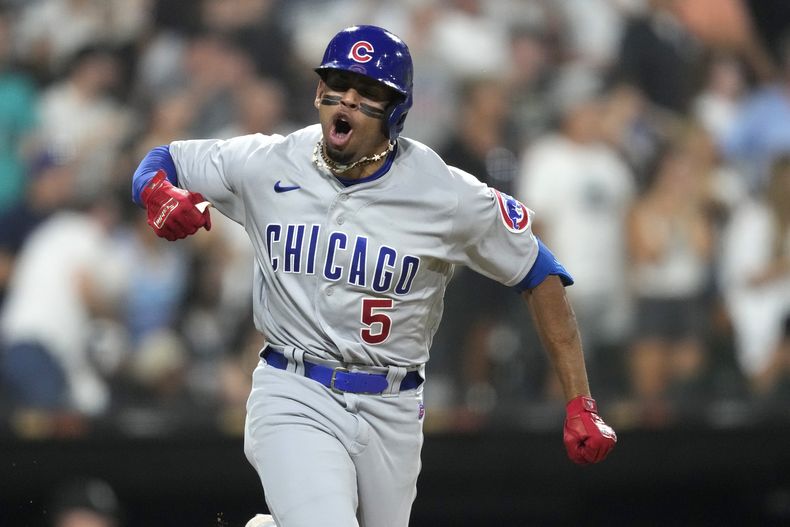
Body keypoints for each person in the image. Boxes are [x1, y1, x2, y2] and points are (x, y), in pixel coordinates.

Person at [130, 25, 616, 527]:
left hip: (394, 407)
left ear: (396, 113)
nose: (346, 101)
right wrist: (156, 193)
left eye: (367, 94)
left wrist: (580, 399)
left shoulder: (444, 194)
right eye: (337, 85)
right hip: (294, 389)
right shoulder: (267, 163)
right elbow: (162, 158)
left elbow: (539, 271)